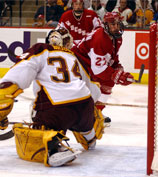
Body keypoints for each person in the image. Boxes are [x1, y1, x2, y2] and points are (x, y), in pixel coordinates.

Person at [0, 28, 105, 167]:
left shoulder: (41, 49)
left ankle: (53, 147)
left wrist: (2, 105)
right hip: (84, 106)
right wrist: (92, 112)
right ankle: (90, 137)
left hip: (57, 109)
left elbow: (17, 76)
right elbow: (93, 90)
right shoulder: (75, 56)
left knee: (39, 114)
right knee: (84, 117)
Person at [72, 12, 134, 123]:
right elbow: (98, 69)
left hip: (89, 62)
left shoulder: (117, 38)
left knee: (108, 82)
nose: (116, 27)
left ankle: (96, 112)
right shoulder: (100, 39)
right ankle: (86, 114)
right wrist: (115, 75)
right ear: (106, 26)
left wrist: (117, 67)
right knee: (100, 84)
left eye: (117, 24)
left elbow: (111, 58)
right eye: (112, 24)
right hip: (79, 62)